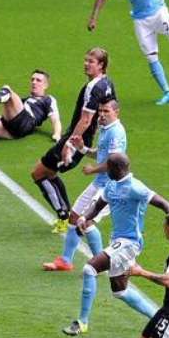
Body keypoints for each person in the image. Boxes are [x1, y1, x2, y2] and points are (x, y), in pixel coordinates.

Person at [63, 153, 169, 336]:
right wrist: (84, 218)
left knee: (90, 269)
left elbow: (164, 203)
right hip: (117, 241)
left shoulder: (136, 187)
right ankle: (159, 317)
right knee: (120, 291)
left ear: (117, 168)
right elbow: (98, 206)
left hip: (130, 243)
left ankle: (82, 322)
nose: (105, 169)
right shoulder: (111, 185)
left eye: (108, 167)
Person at [31, 48, 116, 234]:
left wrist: (69, 145)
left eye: (91, 61)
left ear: (101, 65)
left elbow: (85, 120)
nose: (86, 64)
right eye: (86, 60)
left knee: (39, 173)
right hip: (81, 136)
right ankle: (66, 214)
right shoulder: (107, 83)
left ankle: (64, 217)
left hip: (77, 138)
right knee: (49, 174)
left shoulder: (94, 87)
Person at [42, 98, 125, 271]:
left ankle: (100, 263)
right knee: (74, 216)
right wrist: (82, 148)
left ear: (116, 112)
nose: (101, 115)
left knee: (86, 222)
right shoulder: (105, 128)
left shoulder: (116, 132)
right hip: (99, 183)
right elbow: (101, 153)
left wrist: (93, 170)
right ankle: (65, 260)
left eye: (106, 111)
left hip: (110, 187)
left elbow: (113, 162)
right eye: (100, 111)